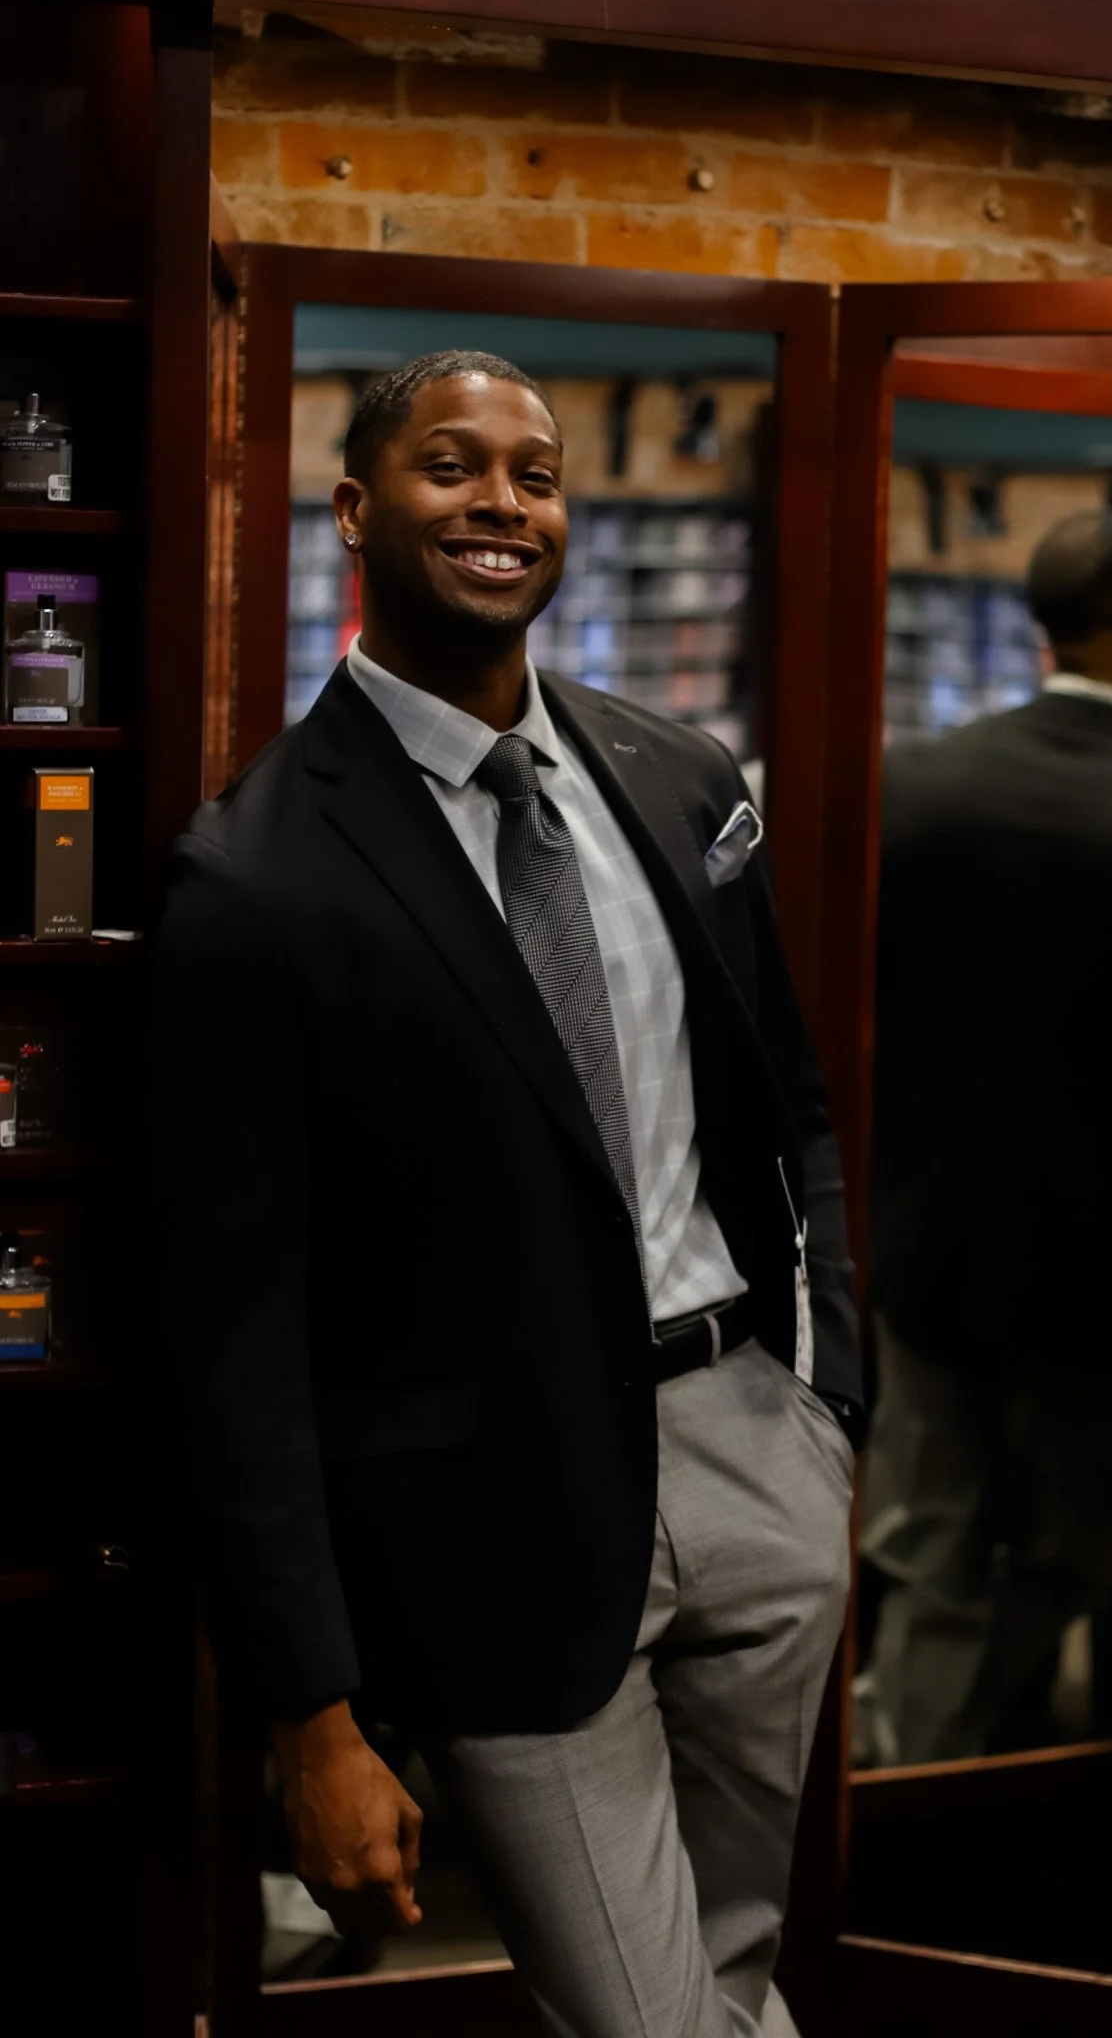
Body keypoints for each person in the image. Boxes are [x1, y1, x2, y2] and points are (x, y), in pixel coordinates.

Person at [147, 350, 861, 2038]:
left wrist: (829, 1402)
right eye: (451, 466)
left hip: (755, 1457)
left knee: (734, 1982)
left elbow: (794, 1115)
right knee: (644, 2013)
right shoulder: (255, 875)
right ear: (355, 509)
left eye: (534, 473)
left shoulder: (680, 779)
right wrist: (310, 1713)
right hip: (495, 1528)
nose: (500, 502)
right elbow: (229, 1332)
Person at [857, 510, 1112, 1767]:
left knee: (927, 1536)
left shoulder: (916, 782)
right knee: (1076, 1545)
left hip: (925, 1241)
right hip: (1107, 1268)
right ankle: (962, 1786)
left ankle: (899, 1791)